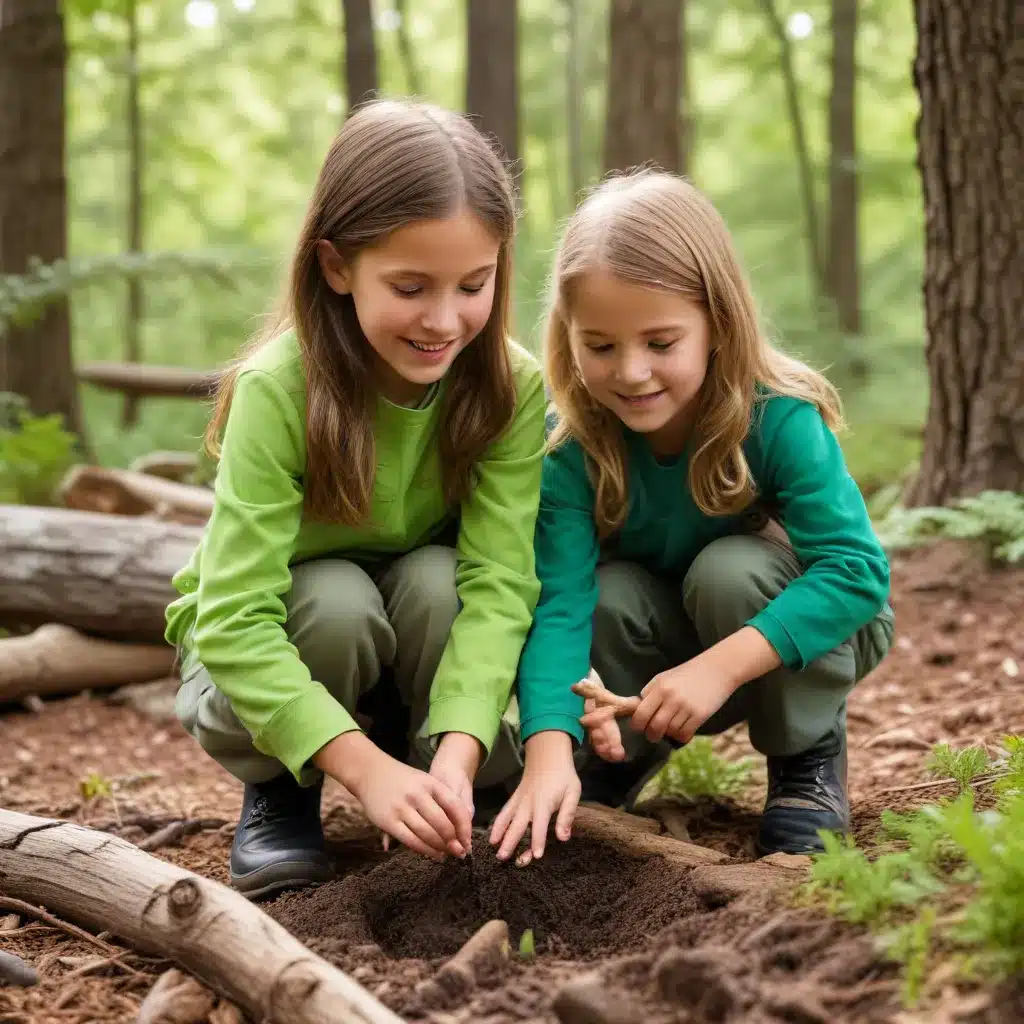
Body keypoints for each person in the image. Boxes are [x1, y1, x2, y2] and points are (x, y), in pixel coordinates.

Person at [165, 99, 547, 899]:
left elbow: (501, 583)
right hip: (276, 647)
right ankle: (282, 787)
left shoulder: (510, 389)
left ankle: (438, 781)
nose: (445, 320)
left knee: (442, 582)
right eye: (410, 286)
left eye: (473, 285)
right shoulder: (280, 388)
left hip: (418, 639)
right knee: (333, 600)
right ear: (337, 266)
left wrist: (462, 744)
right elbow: (231, 621)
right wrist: (360, 769)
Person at [490, 169, 894, 866]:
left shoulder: (777, 417)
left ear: (717, 323)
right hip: (664, 657)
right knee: (608, 596)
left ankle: (806, 756)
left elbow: (859, 572)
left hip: (785, 638)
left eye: (661, 342)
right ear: (568, 336)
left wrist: (719, 667)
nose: (632, 372)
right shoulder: (569, 447)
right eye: (601, 345)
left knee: (729, 570)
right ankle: (617, 754)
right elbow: (559, 606)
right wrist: (548, 746)